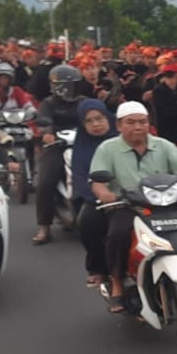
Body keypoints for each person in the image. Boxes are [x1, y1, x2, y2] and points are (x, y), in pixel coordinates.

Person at [90, 101, 177, 317]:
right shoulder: (107, 148)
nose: (138, 127)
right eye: (131, 122)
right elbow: (97, 182)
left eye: (142, 122)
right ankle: (117, 283)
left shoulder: (163, 145)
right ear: (119, 125)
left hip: (167, 204)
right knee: (117, 234)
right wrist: (105, 194)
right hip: (129, 206)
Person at [32, 64, 87, 245]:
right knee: (45, 182)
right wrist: (47, 133)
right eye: (68, 85)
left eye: (75, 84)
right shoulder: (48, 103)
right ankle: (44, 227)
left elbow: (96, 117)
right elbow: (43, 121)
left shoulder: (84, 102)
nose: (72, 89)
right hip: (56, 146)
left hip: (82, 146)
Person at [72, 100, 117, 287]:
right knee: (88, 222)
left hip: (132, 192)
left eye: (99, 118)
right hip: (98, 197)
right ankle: (97, 268)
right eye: (89, 121)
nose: (96, 124)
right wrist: (98, 196)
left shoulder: (125, 136)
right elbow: (80, 175)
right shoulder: (82, 144)